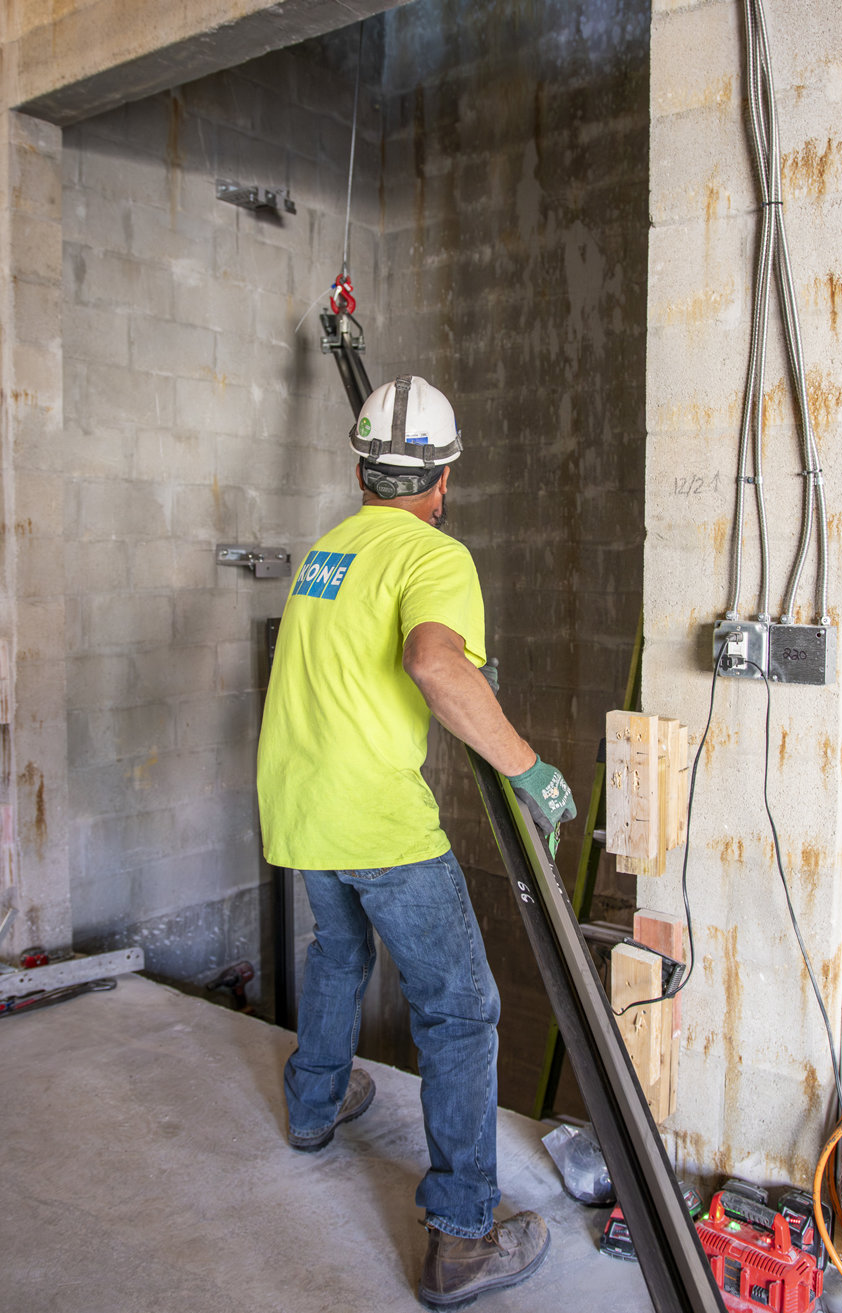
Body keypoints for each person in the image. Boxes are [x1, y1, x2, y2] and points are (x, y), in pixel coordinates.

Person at [256, 375, 576, 1309]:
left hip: (299, 804)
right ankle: (464, 1231)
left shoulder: (330, 548)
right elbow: (434, 663)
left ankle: (314, 1108)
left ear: (362, 470)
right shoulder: (436, 555)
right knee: (462, 1008)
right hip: (375, 817)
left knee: (340, 948)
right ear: (441, 480)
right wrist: (527, 767)